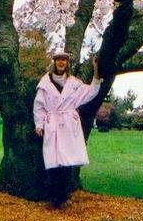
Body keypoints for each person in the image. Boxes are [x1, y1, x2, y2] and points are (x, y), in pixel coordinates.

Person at [33, 50, 101, 207]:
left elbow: (91, 92)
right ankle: (54, 198)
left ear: (67, 63)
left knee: (67, 163)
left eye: (64, 60)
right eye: (58, 60)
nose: (61, 63)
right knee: (53, 162)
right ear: (54, 62)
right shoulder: (44, 84)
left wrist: (96, 71)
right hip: (52, 125)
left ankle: (63, 198)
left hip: (68, 126)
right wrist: (39, 124)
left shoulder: (74, 84)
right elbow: (39, 106)